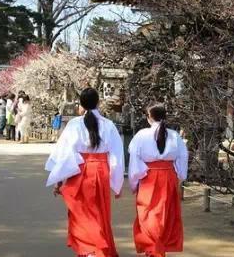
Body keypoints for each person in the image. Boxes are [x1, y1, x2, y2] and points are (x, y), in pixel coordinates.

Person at [45, 87, 124, 257]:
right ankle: (98, 248)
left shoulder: (74, 124)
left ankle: (88, 249)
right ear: (98, 103)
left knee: (80, 212)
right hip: (101, 170)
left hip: (79, 171)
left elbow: (64, 155)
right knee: (99, 211)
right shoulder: (108, 125)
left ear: (81, 104)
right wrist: (117, 184)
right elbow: (116, 156)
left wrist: (59, 182)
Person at [128, 103, 188, 257]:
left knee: (148, 214)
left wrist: (134, 182)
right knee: (166, 215)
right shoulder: (174, 135)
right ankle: (158, 249)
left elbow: (135, 160)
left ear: (149, 118)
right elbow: (182, 157)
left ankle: (153, 249)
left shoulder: (141, 135)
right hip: (168, 177)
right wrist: (179, 177)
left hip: (148, 176)